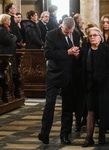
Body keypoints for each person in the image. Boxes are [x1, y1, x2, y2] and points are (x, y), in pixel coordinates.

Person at [38, 17, 80, 145]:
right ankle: (44, 133)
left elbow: (77, 51)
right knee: (50, 104)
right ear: (61, 26)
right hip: (55, 74)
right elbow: (48, 53)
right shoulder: (51, 34)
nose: (69, 34)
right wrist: (67, 52)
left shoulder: (76, 34)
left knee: (68, 106)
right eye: (67, 32)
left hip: (69, 74)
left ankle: (65, 134)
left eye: (71, 32)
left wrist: (77, 54)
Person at [81, 27, 109, 147]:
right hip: (90, 86)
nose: (92, 37)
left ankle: (101, 136)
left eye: (95, 35)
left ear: (100, 37)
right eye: (90, 36)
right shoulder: (85, 50)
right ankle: (89, 137)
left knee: (103, 111)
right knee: (90, 111)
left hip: (104, 85)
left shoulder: (107, 50)